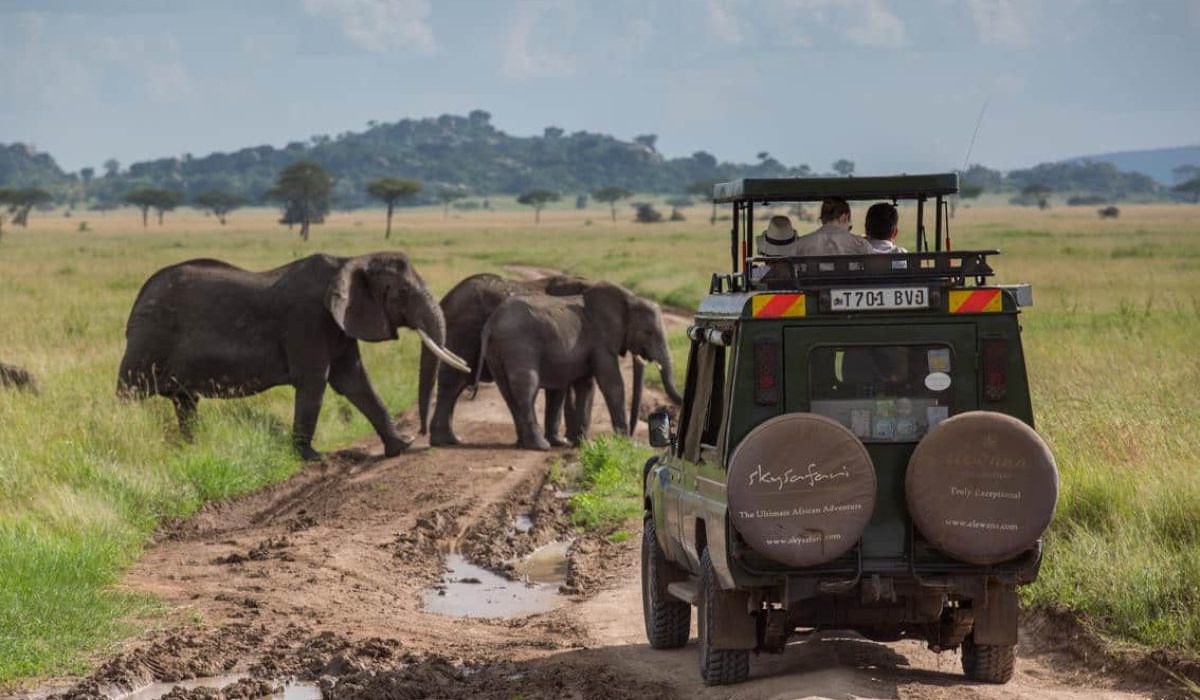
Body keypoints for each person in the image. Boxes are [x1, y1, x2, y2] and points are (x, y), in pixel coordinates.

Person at [793, 197, 872, 256]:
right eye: (849, 224)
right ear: (844, 218)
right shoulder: (860, 244)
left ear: (822, 219)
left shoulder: (801, 244)